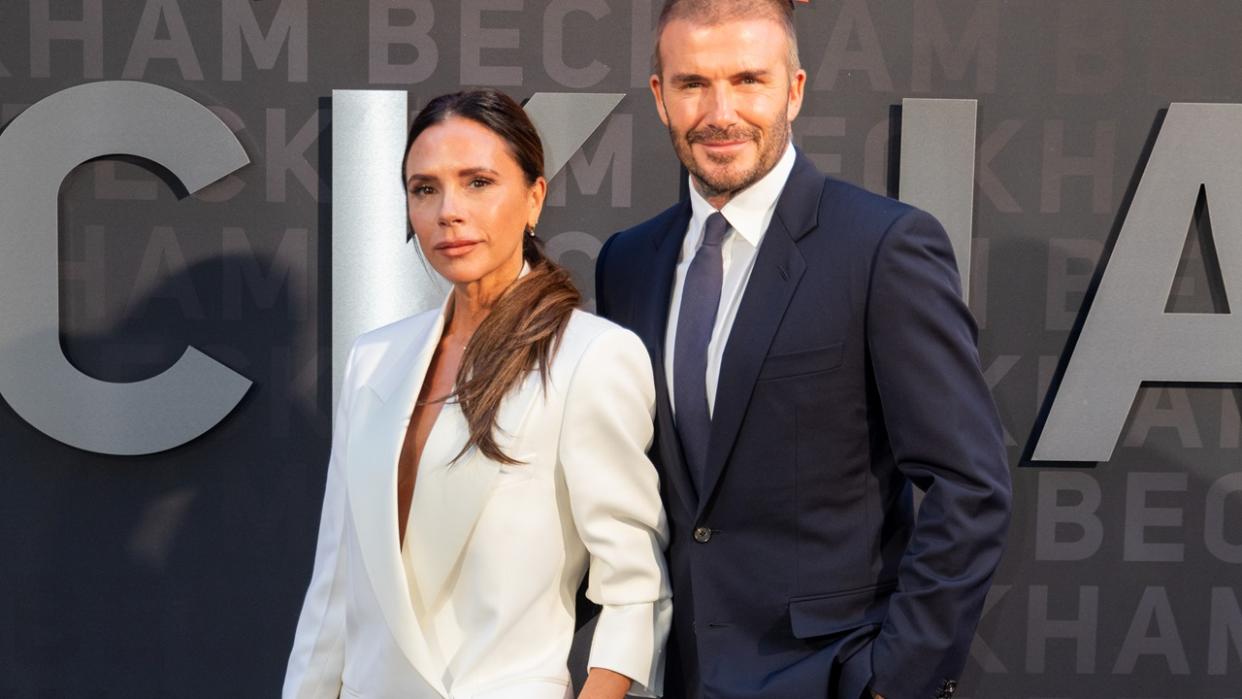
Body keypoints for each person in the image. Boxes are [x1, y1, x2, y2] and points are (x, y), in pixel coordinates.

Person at [594, 2, 1012, 698]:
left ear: (794, 89)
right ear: (660, 97)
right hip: (680, 677)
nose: (720, 111)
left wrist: (894, 682)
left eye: (748, 80)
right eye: (694, 83)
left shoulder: (882, 246)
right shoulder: (628, 262)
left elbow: (969, 486)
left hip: (830, 673)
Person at [283, 89, 671, 699]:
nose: (448, 212)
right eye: (425, 188)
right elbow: (334, 589)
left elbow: (634, 588)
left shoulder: (590, 357)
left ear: (534, 197)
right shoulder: (373, 360)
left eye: (478, 182)